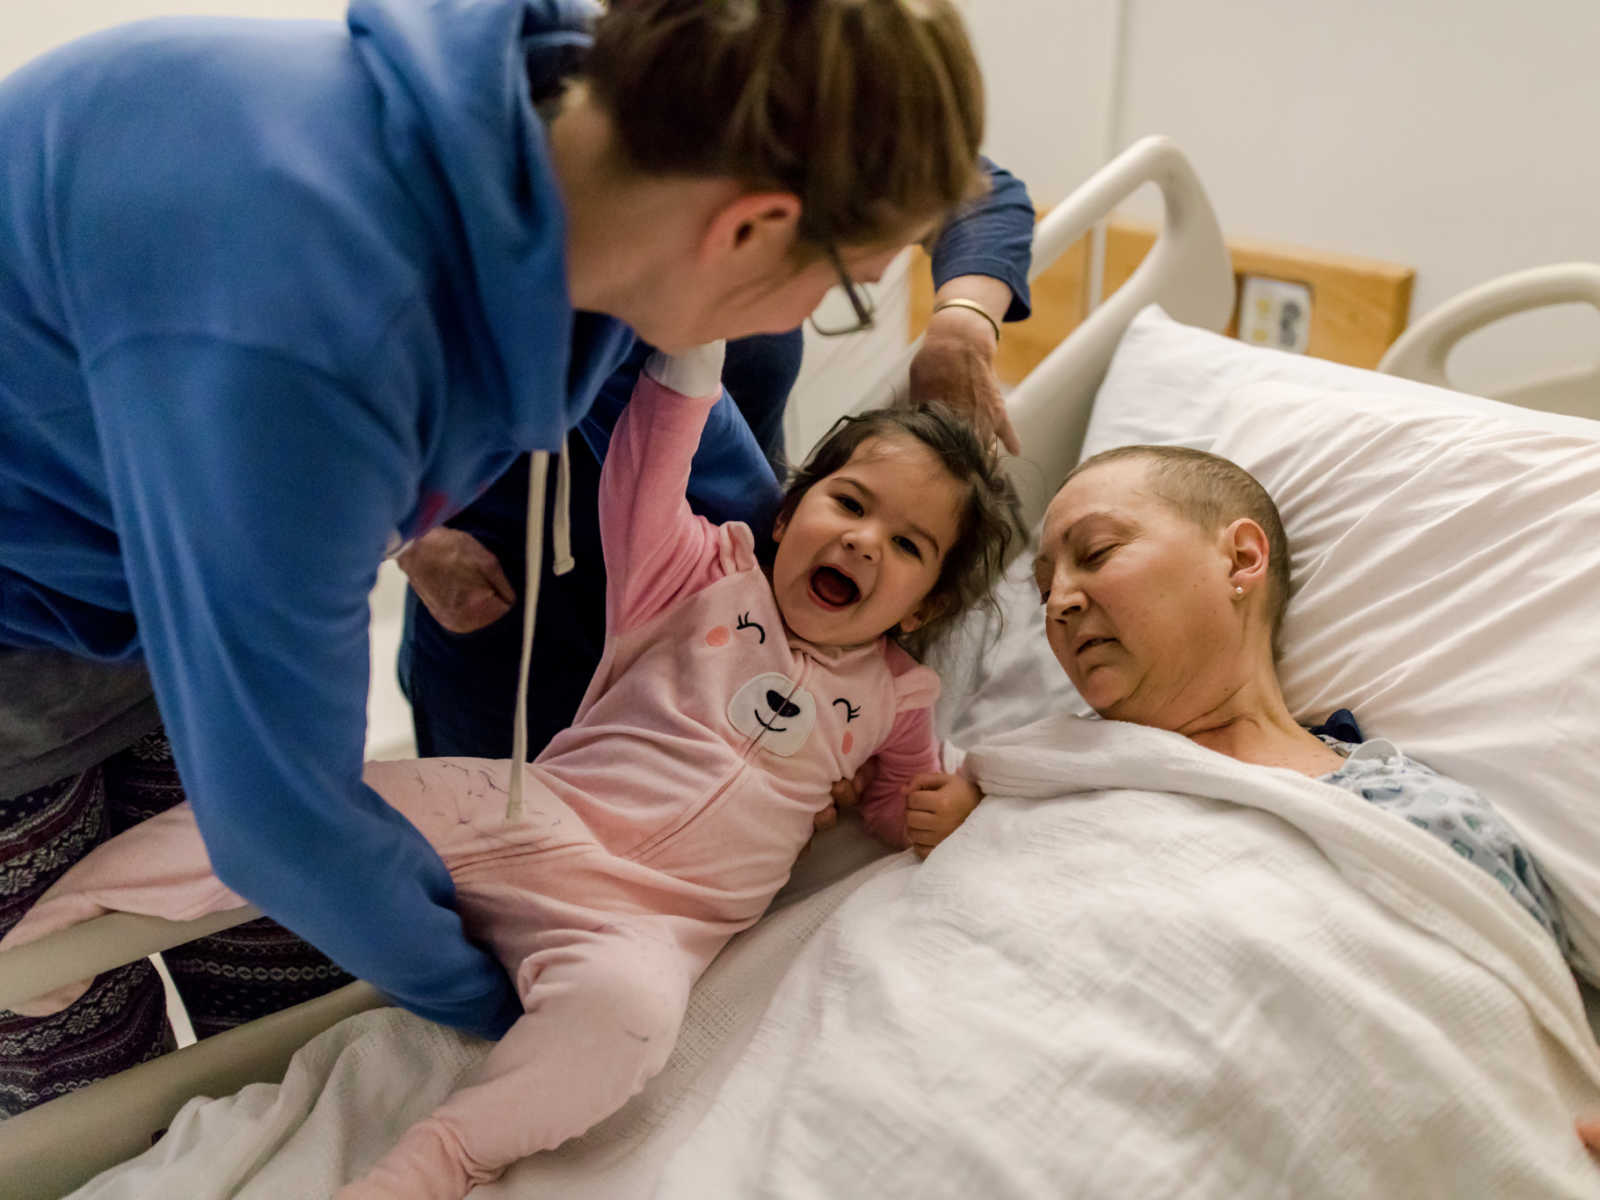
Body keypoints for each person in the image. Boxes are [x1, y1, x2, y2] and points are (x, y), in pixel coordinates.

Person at [0, 0, 989, 1112]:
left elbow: (664, 418)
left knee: (277, 1014)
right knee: (76, 1074)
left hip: (156, 576)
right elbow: (284, 820)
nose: (817, 308)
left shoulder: (576, 152)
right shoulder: (310, 320)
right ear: (751, 226)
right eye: (848, 285)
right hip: (24, 648)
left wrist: (800, 647)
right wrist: (523, 1011)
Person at [2, 341, 1020, 1196]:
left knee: (627, 1029)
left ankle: (440, 1156)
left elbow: (896, 803)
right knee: (304, 815)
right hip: (540, 813)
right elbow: (644, 472)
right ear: (791, 511)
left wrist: (938, 803)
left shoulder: (900, 698)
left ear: (925, 608)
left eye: (908, 544)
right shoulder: (700, 577)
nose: (862, 540)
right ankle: (59, 939)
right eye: (847, 501)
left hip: (655, 923)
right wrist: (686, 349)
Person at [396, 158, 1036, 762]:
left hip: (734, 617)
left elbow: (980, 190)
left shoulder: (879, 688)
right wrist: (410, 535)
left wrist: (962, 322)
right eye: (848, 501)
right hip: (521, 608)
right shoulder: (600, 266)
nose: (809, 307)